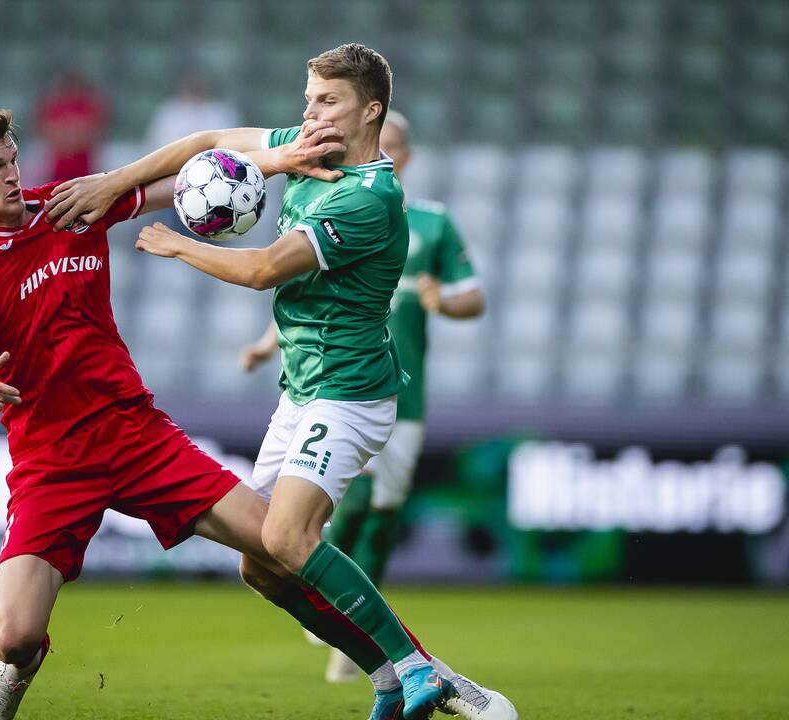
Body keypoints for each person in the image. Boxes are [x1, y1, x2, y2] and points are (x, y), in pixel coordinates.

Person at [0, 107, 455, 720]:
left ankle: (416, 670)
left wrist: (276, 160)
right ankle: (18, 667)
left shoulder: (70, 206)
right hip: (50, 458)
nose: (12, 174)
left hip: (137, 434)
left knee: (286, 545)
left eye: (12, 158)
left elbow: (193, 178)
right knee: (14, 637)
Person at [44, 44, 517, 720]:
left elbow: (267, 267)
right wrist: (112, 182)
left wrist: (176, 242)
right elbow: (207, 141)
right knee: (259, 564)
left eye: (327, 101)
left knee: (289, 539)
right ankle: (388, 675)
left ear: (370, 109)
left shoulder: (369, 197)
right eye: (308, 99)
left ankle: (419, 668)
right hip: (303, 389)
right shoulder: (307, 149)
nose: (309, 112)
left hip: (350, 392)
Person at [241, 110, 488, 689]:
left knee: (382, 510)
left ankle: (359, 636)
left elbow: (472, 298)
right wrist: (260, 345)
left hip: (401, 390)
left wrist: (440, 301)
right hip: (331, 385)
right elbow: (313, 294)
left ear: (408, 154)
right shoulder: (335, 204)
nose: (392, 152)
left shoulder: (428, 222)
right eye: (388, 142)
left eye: (401, 144)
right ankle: (344, 606)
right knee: (334, 507)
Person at [34, 71, 107, 183]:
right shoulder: (55, 105)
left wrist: (69, 136)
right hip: (59, 165)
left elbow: (94, 132)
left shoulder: (88, 105)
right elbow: (46, 131)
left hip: (83, 163)